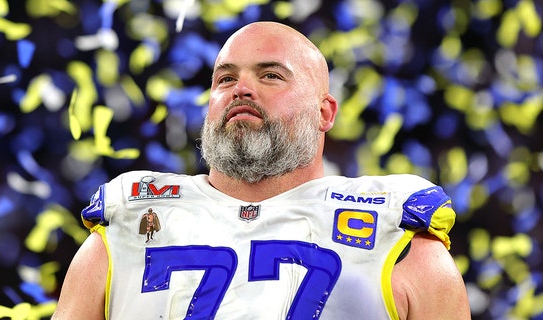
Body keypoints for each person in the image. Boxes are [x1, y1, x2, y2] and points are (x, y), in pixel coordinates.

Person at [52, 21, 471, 319]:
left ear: (324, 113)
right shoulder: (125, 227)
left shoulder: (400, 238)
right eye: (225, 79)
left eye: (271, 75)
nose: (241, 89)